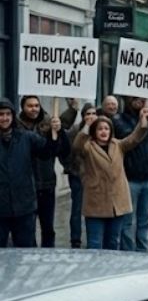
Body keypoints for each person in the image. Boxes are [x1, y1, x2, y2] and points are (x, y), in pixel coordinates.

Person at [73, 106, 148, 250]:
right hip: (96, 203)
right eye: (100, 129)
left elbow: (135, 138)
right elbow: (77, 146)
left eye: (106, 128)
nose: (104, 132)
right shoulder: (88, 147)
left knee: (113, 242)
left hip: (117, 203)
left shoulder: (118, 145)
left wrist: (143, 121)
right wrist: (87, 125)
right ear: (94, 131)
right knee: (95, 244)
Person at [0, 99, 64, 247]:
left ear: (13, 116)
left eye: (8, 114)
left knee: (25, 251)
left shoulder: (26, 137)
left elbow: (47, 151)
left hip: (24, 207)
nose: (4, 118)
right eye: (1, 114)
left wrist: (55, 133)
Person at [16, 95, 72, 246]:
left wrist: (59, 131)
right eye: (30, 106)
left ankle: (48, 255)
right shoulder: (16, 126)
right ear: (23, 107)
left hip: (46, 183)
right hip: (25, 187)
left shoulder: (49, 123)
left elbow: (63, 150)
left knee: (48, 227)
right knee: (27, 228)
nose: (34, 109)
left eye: (36, 105)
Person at [113, 97, 148, 251]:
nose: (139, 100)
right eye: (134, 98)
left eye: (142, 99)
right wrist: (141, 122)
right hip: (129, 178)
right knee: (127, 222)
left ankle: (143, 253)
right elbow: (130, 138)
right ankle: (129, 254)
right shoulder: (118, 120)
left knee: (145, 221)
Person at [63, 102, 97, 248]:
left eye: (93, 113)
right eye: (88, 114)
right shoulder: (76, 130)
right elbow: (70, 149)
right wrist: (70, 167)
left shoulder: (100, 129)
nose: (91, 116)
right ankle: (75, 239)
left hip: (94, 175)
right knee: (77, 208)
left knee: (93, 209)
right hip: (78, 175)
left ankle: (92, 237)